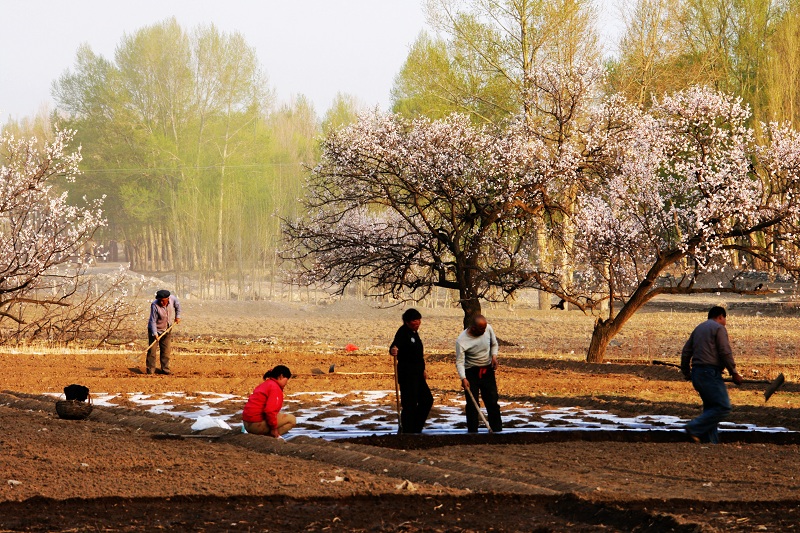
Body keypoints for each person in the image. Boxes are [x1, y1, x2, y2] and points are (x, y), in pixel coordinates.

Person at [681, 306, 743, 444]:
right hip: (709, 373)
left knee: (711, 408)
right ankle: (694, 427)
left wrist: (686, 372)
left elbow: (686, 352)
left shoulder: (698, 329)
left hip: (698, 373)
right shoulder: (718, 328)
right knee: (723, 407)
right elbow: (725, 352)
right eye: (725, 319)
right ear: (721, 316)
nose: (725, 322)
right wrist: (734, 372)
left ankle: (710, 442)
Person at [456, 314, 502, 433]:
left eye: (485, 328)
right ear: (473, 328)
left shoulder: (488, 329)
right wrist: (463, 378)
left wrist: (494, 356)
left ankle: (497, 430)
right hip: (471, 372)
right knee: (472, 404)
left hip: (487, 370)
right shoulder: (462, 340)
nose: (484, 331)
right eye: (481, 329)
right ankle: (472, 431)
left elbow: (494, 344)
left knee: (492, 401)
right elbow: (460, 361)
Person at [389, 308, 433, 433]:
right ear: (407, 322)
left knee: (427, 400)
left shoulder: (415, 333)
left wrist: (423, 369)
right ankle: (407, 430)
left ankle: (416, 427)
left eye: (419, 320)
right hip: (407, 374)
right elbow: (394, 346)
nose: (418, 323)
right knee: (410, 404)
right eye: (415, 320)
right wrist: (393, 350)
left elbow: (418, 354)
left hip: (418, 373)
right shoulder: (403, 332)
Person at [242, 365, 296, 438]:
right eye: (287, 379)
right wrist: (274, 429)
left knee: (278, 415)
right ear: (281, 376)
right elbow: (270, 411)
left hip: (247, 423)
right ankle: (271, 437)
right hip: (255, 425)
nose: (286, 383)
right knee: (291, 420)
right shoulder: (274, 387)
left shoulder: (266, 384)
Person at [146, 289, 181, 375]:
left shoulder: (172, 299)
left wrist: (178, 316)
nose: (162, 302)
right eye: (160, 301)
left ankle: (165, 370)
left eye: (163, 301)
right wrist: (155, 333)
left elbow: (177, 305)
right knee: (152, 351)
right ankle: (150, 370)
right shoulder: (154, 305)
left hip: (167, 329)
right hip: (155, 329)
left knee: (166, 351)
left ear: (168, 299)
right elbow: (152, 321)